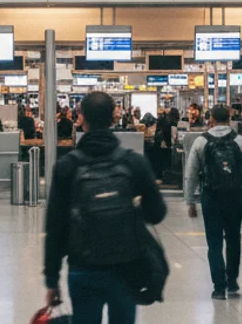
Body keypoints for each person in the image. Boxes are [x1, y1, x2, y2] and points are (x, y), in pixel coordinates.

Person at [44, 91, 167, 324]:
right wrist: (132, 211)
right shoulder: (133, 162)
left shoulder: (67, 166)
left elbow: (55, 227)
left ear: (81, 118)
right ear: (114, 118)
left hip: (82, 268)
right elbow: (157, 213)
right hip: (125, 267)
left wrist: (52, 280)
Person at [184, 104, 242, 299]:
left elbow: (191, 175)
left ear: (210, 119)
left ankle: (218, 288)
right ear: (230, 119)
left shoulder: (201, 142)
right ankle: (232, 282)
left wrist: (190, 201)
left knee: (214, 243)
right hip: (235, 197)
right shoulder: (240, 141)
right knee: (233, 238)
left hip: (211, 197)